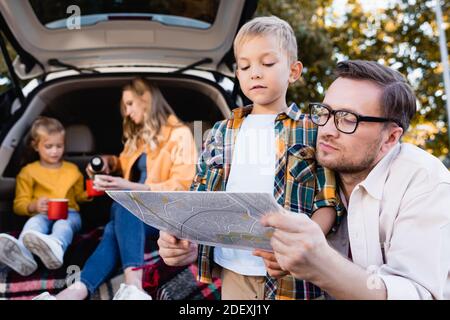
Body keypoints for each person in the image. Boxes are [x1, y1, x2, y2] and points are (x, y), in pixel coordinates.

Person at [157, 16, 344, 300]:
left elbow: (327, 201)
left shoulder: (311, 130)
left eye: (267, 63)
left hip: (294, 275)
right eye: (245, 66)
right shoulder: (221, 132)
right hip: (233, 269)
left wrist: (301, 250)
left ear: (294, 71)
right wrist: (182, 234)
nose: (255, 72)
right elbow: (199, 194)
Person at [259, 60, 450, 299]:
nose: (327, 129)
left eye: (348, 118)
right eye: (325, 113)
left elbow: (417, 294)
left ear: (390, 138)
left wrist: (321, 263)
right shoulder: (304, 168)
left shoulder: (426, 183)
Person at [34, 77, 197, 300]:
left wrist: (130, 187)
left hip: (163, 213)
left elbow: (183, 186)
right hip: (132, 213)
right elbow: (122, 163)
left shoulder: (180, 134)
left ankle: (85, 290)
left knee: (124, 206)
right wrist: (104, 163)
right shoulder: (139, 138)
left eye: (129, 104)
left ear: (146, 99)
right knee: (124, 208)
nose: (127, 112)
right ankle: (123, 290)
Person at [0, 117, 89, 276]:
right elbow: (19, 204)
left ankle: (56, 246)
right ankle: (23, 254)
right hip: (42, 214)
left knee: (62, 226)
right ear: (36, 146)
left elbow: (79, 197)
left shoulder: (73, 170)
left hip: (71, 213)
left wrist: (90, 192)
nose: (54, 151)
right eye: (48, 146)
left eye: (59, 146)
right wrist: (33, 206)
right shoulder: (28, 172)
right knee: (34, 224)